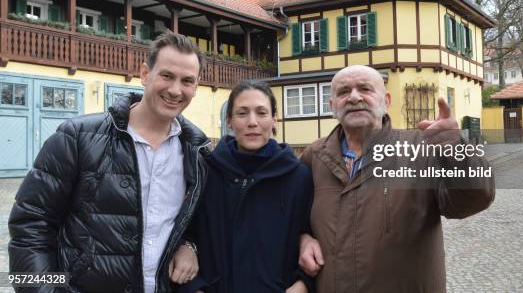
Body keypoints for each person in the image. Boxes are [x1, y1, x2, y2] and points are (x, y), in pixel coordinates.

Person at [9, 32, 208, 293]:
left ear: (196, 86)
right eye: (167, 76)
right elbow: (30, 227)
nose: (175, 90)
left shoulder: (198, 153)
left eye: (187, 81)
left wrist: (190, 245)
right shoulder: (77, 137)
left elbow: (196, 225)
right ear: (145, 74)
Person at [298, 65, 495, 292]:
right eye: (343, 92)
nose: (353, 97)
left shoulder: (421, 148)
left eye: (365, 89)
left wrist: (457, 151)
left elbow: (473, 200)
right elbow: (291, 213)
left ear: (386, 101)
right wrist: (302, 237)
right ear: (332, 106)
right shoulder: (314, 156)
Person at [179, 80, 314, 293]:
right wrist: (193, 287)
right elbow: (183, 233)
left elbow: (316, 240)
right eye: (242, 113)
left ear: (274, 119)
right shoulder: (205, 172)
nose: (252, 122)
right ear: (230, 121)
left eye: (261, 113)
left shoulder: (299, 177)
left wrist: (303, 285)